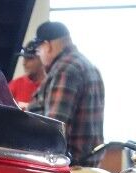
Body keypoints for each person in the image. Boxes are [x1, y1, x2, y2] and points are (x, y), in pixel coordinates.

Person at [28, 21, 105, 165]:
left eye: (39, 51)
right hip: (89, 167)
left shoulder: (65, 70)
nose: (40, 56)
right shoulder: (88, 66)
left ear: (47, 46)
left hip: (71, 169)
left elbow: (54, 131)